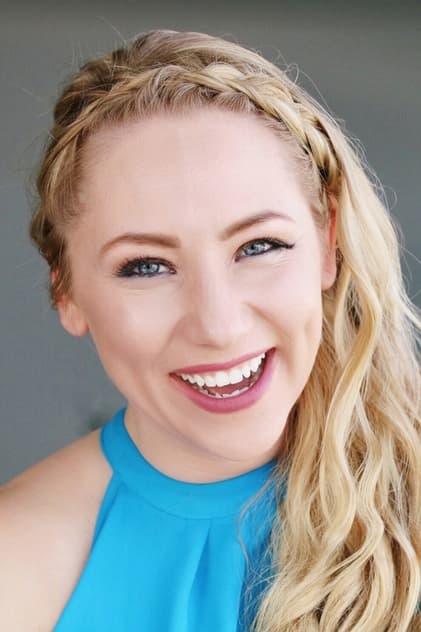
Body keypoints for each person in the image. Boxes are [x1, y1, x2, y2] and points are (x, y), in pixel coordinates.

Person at [0, 28, 420, 632]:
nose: (219, 326)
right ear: (66, 291)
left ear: (328, 244)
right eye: (147, 266)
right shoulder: (16, 570)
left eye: (260, 246)